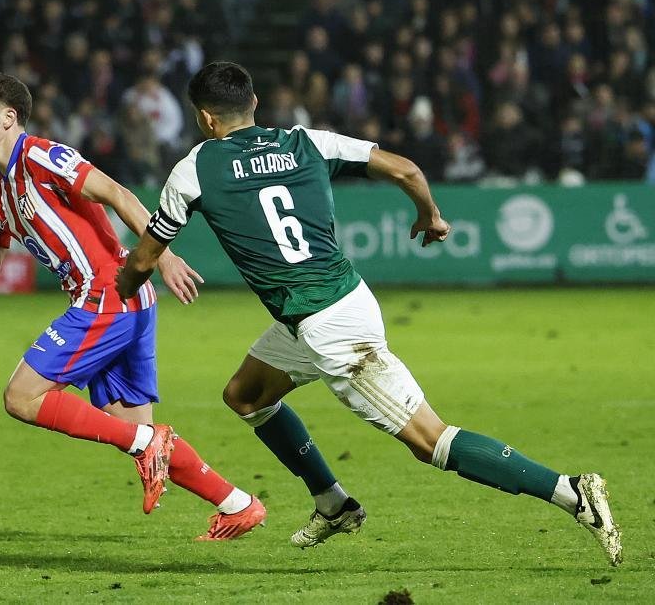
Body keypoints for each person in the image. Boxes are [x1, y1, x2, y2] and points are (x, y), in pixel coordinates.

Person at [116, 61, 622, 565]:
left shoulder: (197, 167)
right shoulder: (305, 141)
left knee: (431, 442)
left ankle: (573, 493)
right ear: (254, 105)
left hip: (331, 329)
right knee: (245, 395)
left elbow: (144, 257)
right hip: (333, 302)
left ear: (205, 119)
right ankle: (333, 505)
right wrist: (430, 213)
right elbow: (406, 169)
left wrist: (119, 288)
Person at [0, 73, 265, 539]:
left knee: (21, 397)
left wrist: (165, 257)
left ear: (9, 118)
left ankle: (149, 444)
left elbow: (117, 193)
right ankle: (237, 504)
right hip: (126, 303)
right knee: (133, 430)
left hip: (107, 294)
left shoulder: (43, 155)